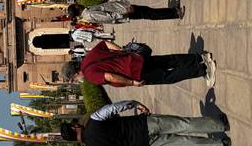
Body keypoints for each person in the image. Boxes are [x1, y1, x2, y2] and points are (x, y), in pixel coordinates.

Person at [60, 100, 231, 146]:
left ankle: (220, 143)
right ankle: (220, 126)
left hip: (143, 145)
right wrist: (134, 104)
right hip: (143, 125)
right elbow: (113, 108)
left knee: (184, 143)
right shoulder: (94, 120)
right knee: (183, 124)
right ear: (75, 127)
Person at [61, 40, 217, 87]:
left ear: (75, 73)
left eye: (74, 79)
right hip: (134, 59)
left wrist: (131, 82)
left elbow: (109, 76)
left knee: (168, 76)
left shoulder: (90, 76)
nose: (77, 81)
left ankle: (202, 69)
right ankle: (199, 57)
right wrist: (122, 51)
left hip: (135, 74)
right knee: (168, 60)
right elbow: (106, 43)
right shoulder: (89, 57)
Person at [67, 0, 185, 25]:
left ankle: (173, 10)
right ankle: (175, 13)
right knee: (150, 13)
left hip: (123, 8)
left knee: (148, 10)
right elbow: (109, 17)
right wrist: (125, 12)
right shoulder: (89, 14)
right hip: (125, 11)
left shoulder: (88, 10)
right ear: (77, 8)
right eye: (78, 4)